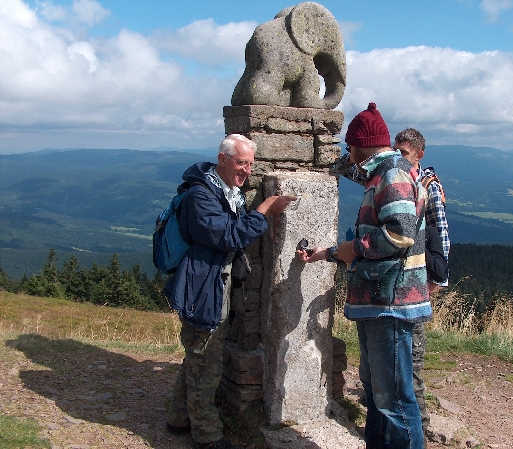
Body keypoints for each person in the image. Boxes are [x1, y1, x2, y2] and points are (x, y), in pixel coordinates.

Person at [297, 103, 432, 449]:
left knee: (395, 402)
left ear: (361, 144)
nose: (347, 151)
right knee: (377, 396)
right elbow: (378, 237)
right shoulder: (381, 171)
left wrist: (353, 248)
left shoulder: (393, 174)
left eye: (350, 144)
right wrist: (327, 254)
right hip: (379, 301)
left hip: (392, 303)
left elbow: (400, 234)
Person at [163, 134, 296, 449]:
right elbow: (229, 237)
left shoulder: (226, 191)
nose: (247, 170)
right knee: (205, 360)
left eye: (250, 163)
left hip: (213, 283)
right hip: (202, 287)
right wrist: (264, 208)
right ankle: (207, 436)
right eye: (241, 162)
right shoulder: (201, 196)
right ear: (222, 159)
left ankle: (179, 418)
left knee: (200, 355)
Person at [394, 129, 450, 444]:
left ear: (419, 154)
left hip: (418, 281)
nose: (398, 157)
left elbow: (440, 235)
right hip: (398, 283)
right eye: (395, 151)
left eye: (403, 152)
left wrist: (437, 279)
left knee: (412, 358)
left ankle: (421, 426)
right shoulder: (397, 178)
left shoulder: (428, 187)